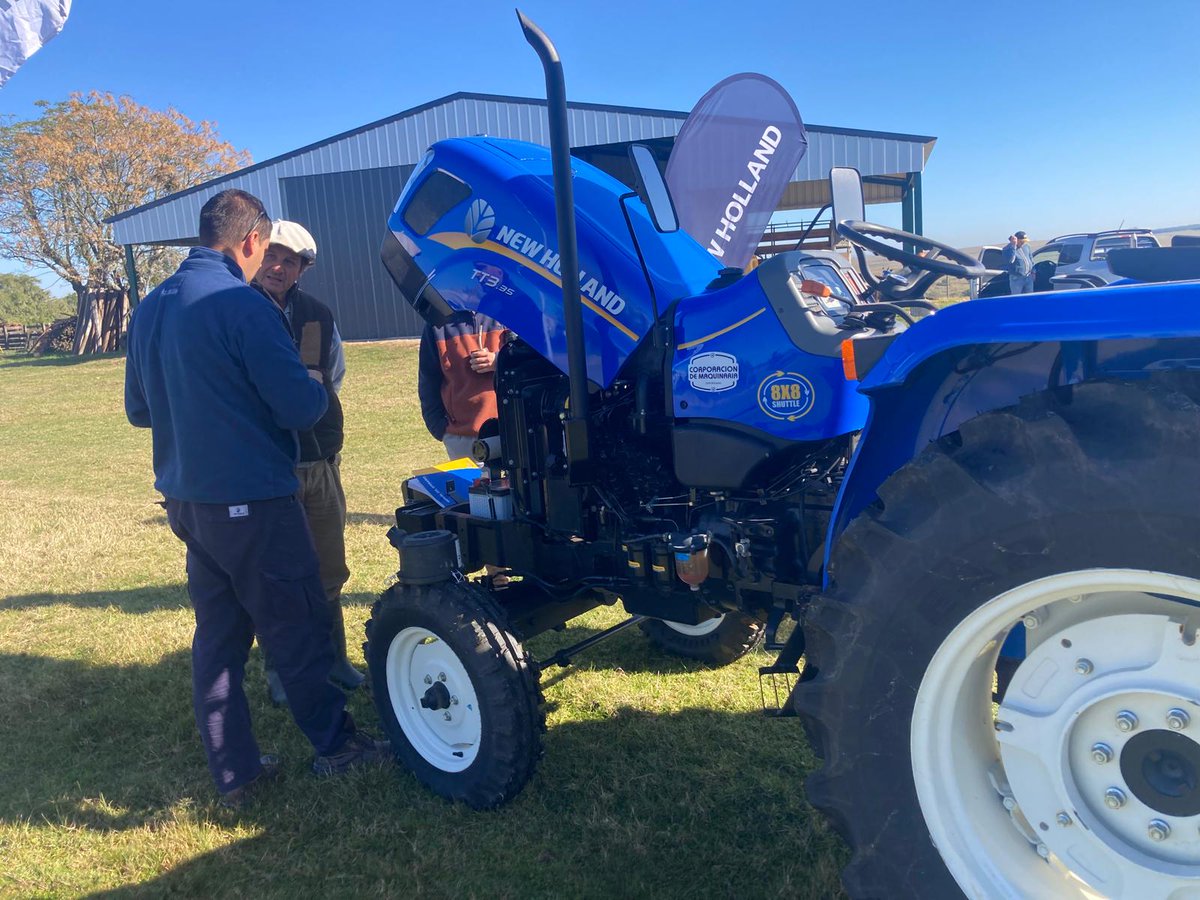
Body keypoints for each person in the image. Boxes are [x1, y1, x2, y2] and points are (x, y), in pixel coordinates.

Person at [124, 189, 389, 808]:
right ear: (250, 241)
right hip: (254, 500)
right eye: (263, 251)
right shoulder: (242, 305)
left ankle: (234, 772)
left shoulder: (151, 305)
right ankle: (337, 746)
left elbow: (140, 411)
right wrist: (314, 387)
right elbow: (298, 406)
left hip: (188, 503)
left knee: (217, 639)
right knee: (293, 624)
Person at [252, 220, 362, 705]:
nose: (278, 266)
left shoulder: (317, 312)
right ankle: (281, 667)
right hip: (267, 465)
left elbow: (332, 375)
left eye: (289, 260)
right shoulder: (239, 308)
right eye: (272, 255)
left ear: (303, 269)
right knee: (277, 572)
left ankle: (333, 657)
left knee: (329, 568)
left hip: (319, 457)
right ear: (257, 254)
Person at [418, 309, 506, 460]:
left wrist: (498, 361)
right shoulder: (437, 323)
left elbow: (530, 358)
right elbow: (428, 380)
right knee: (471, 484)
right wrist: (441, 429)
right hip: (462, 439)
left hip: (511, 430)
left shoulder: (507, 311)